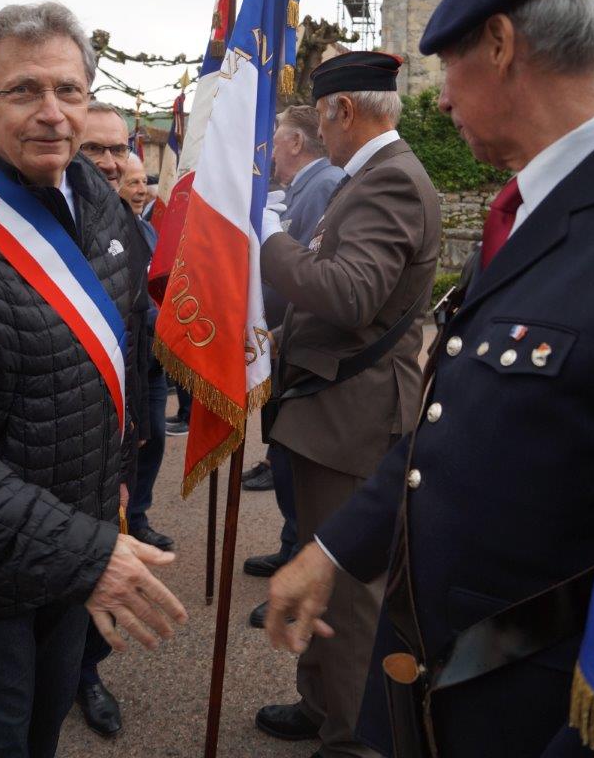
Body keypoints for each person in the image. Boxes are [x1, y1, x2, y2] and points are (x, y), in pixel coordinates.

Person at [265, 0, 594, 758]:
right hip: (447, 670)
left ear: (498, 45)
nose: (440, 101)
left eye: (448, 67)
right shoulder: (527, 204)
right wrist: (336, 550)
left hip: (538, 700)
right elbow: (454, 425)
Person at [0, 3, 187, 758]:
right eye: (25, 91)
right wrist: (83, 551)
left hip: (79, 529)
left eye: (69, 92)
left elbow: (121, 351)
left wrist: (117, 484)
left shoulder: (96, 197)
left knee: (41, 729)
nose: (52, 114)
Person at [256, 54, 441, 758]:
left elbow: (349, 294)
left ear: (339, 111)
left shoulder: (387, 177)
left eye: (320, 117)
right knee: (320, 565)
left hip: (352, 416)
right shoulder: (371, 176)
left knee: (348, 587)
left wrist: (263, 238)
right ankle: (320, 703)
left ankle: (353, 738)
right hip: (333, 408)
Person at [76, 110, 172, 737]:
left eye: (119, 150)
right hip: (43, 439)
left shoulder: (128, 232)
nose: (111, 163)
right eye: (96, 149)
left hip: (112, 436)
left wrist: (135, 426)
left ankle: (85, 671)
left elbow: (136, 341)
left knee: (96, 561)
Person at [244, 105, 345, 630]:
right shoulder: (306, 185)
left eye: (276, 137)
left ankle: (297, 561)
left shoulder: (322, 185)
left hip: (295, 343)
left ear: (298, 143)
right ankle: (289, 548)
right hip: (283, 343)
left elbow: (312, 272)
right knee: (284, 463)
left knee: (294, 472)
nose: (270, 147)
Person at [119, 153, 174, 552]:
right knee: (124, 446)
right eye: (132, 182)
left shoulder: (149, 231)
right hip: (124, 363)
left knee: (153, 438)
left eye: (143, 182)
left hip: (153, 362)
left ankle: (137, 517)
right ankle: (116, 525)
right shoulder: (100, 233)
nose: (141, 190)